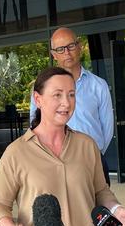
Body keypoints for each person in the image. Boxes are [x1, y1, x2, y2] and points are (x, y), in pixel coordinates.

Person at [0, 67, 125, 226]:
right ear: (38, 100)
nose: (66, 102)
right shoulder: (16, 152)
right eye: (57, 95)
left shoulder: (87, 145)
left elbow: (100, 191)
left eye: (71, 94)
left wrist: (117, 210)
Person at [30, 27, 114, 185]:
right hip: (53, 162)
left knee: (99, 208)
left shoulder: (98, 85)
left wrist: (92, 154)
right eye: (60, 49)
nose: (67, 53)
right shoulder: (42, 88)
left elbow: (107, 129)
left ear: (79, 46)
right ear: (54, 54)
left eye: (71, 46)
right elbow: (35, 123)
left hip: (92, 162)